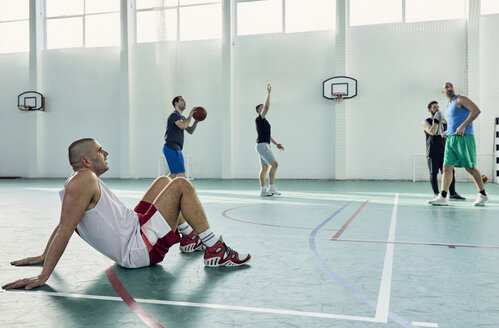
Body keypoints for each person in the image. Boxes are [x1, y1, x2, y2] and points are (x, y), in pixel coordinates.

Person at [2, 138, 250, 291]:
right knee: (181, 185)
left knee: (163, 180)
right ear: (86, 161)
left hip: (134, 228)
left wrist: (44, 255)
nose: (106, 153)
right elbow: (66, 229)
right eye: (100, 151)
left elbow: (63, 223)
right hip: (137, 249)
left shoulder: (77, 180)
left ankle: (188, 239)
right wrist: (44, 275)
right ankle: (215, 250)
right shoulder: (84, 180)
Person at [428, 82, 488, 206]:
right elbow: (455, 121)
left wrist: (463, 126)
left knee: (469, 167)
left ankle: (483, 195)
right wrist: (447, 132)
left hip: (464, 137)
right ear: (443, 91)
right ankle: (443, 197)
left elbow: (476, 111)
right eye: (446, 87)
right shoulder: (448, 105)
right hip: (451, 139)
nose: (449, 88)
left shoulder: (461, 99)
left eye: (451, 86)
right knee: (447, 167)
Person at [423, 101, 465, 201]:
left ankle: (453, 193)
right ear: (429, 110)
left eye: (438, 107)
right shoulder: (426, 121)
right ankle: (437, 194)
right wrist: (436, 120)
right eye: (434, 107)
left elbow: (449, 134)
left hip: (445, 151)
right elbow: (432, 132)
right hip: (432, 151)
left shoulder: (443, 122)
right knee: (433, 173)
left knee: (450, 172)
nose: (437, 109)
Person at [255, 84, 285, 197]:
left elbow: (268, 135)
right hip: (262, 146)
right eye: (261, 107)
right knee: (275, 164)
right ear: (258, 110)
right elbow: (267, 107)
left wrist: (276, 144)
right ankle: (271, 188)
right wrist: (268, 93)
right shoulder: (259, 118)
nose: (264, 107)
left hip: (263, 145)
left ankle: (263, 190)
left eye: (263, 106)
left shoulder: (264, 121)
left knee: (265, 167)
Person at [163, 96, 200, 178]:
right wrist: (190, 116)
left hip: (175, 148)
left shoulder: (182, 118)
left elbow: (190, 131)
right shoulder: (174, 115)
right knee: (181, 174)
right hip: (171, 147)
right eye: (182, 100)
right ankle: (177, 190)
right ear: (176, 103)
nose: (185, 102)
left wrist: (196, 121)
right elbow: (182, 126)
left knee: (174, 174)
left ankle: (162, 188)